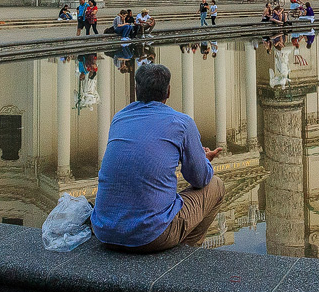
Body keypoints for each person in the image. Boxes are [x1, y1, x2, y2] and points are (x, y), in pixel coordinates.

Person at [92, 62, 223, 252]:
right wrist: (202, 160)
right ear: (168, 92)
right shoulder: (182, 123)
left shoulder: (119, 117)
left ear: (136, 89)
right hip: (149, 236)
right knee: (216, 185)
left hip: (104, 230)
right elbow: (200, 178)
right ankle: (184, 254)